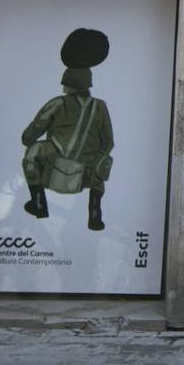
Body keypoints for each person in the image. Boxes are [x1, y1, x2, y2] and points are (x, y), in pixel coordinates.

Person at [21, 28, 115, 231]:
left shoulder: (57, 104)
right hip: (87, 168)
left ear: (67, 84)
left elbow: (30, 134)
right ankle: (95, 214)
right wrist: (95, 155)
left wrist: (29, 140)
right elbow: (109, 142)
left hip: (55, 158)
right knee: (101, 165)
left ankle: (38, 204)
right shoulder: (100, 107)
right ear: (88, 83)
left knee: (32, 153)